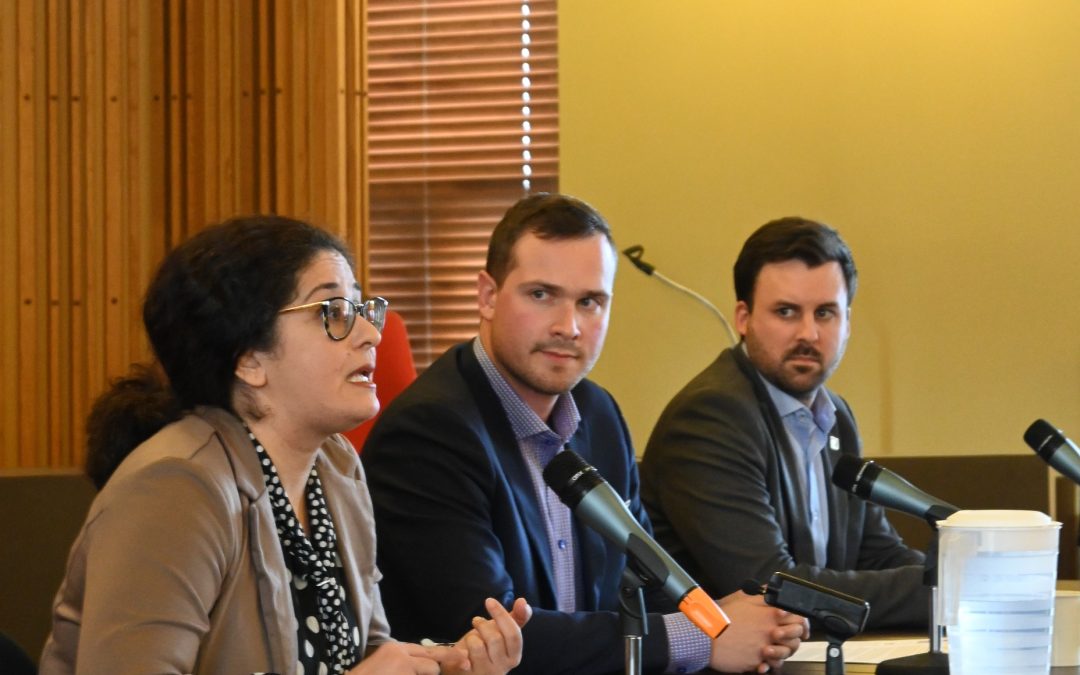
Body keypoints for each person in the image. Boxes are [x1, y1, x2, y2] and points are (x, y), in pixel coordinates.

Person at [39, 216, 529, 675]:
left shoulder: (335, 468)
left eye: (361, 307)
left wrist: (445, 666)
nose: (370, 332)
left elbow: (370, 651)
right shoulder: (176, 489)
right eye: (332, 312)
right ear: (250, 359)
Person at [362, 194, 808, 675]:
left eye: (590, 302)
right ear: (488, 296)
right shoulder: (430, 431)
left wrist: (736, 625)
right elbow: (492, 636)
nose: (568, 326)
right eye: (541, 295)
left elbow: (645, 580)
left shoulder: (599, 413)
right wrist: (703, 638)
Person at [640, 217, 928, 629]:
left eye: (825, 313)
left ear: (848, 323)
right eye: (786, 312)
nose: (808, 333)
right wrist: (936, 590)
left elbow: (877, 553)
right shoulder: (710, 416)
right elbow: (773, 588)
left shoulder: (836, 418)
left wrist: (950, 579)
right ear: (743, 318)